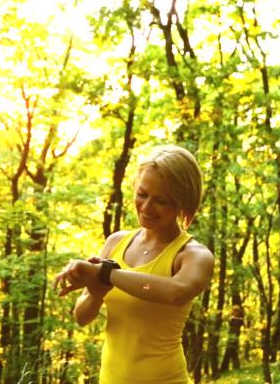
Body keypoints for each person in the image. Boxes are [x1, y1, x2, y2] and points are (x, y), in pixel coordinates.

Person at [53, 145, 215, 384]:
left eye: (161, 201)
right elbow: (81, 317)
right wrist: (96, 294)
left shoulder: (193, 255)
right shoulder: (116, 242)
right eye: (142, 194)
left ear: (183, 202)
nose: (147, 207)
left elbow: (175, 293)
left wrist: (106, 274)